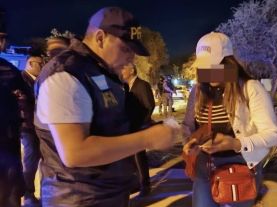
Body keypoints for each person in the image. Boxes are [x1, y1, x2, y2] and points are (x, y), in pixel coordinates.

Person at [35, 7, 178, 206]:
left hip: (108, 195)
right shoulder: (66, 74)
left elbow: (111, 128)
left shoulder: (101, 73)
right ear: (100, 38)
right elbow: (76, 152)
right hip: (78, 199)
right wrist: (148, 139)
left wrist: (157, 129)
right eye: (125, 49)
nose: (131, 58)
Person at [182, 32, 277, 207]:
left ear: (228, 62)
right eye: (204, 66)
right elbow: (188, 126)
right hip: (205, 165)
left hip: (240, 166)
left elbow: (273, 135)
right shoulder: (197, 91)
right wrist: (189, 141)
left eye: (213, 65)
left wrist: (235, 143)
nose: (209, 72)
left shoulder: (251, 88)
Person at [0, 15, 27, 206]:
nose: (2, 43)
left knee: (10, 191)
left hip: (7, 140)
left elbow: (27, 98)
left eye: (2, 38)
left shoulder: (9, 70)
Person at [120, 63, 155, 196]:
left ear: (132, 70)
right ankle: (136, 183)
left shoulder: (142, 85)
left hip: (139, 127)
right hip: (130, 127)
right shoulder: (126, 86)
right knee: (131, 157)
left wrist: (142, 123)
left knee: (139, 157)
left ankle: (145, 185)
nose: (121, 71)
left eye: (124, 68)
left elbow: (149, 106)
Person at [20, 54, 44, 206]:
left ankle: (43, 191)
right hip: (27, 126)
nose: (42, 66)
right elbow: (23, 104)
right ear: (30, 63)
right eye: (40, 64)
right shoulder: (21, 79)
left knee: (43, 158)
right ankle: (27, 192)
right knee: (31, 157)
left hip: (40, 126)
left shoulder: (39, 80)